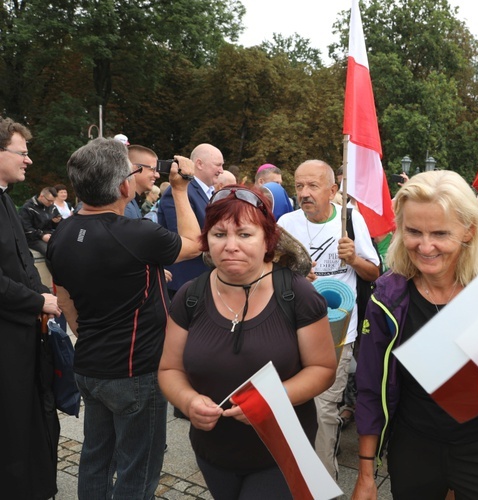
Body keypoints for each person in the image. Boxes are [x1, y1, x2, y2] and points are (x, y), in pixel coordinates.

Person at [353, 170, 478, 500]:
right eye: (413, 231)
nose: (425, 246)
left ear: (469, 231)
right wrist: (365, 475)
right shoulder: (387, 299)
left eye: (440, 233)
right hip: (414, 448)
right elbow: (370, 388)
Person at [47, 138, 202, 499]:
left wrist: (91, 338)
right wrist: (180, 189)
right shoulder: (137, 233)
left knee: (96, 457)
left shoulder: (62, 234)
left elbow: (66, 301)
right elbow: (195, 242)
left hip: (89, 365)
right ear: (122, 186)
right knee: (138, 466)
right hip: (137, 370)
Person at [158, 185, 337, 499]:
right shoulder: (190, 296)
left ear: (267, 239)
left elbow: (323, 368)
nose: (230, 246)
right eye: (218, 234)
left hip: (280, 452)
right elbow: (169, 370)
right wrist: (187, 401)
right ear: (205, 240)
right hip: (213, 453)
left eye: (244, 234)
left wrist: (273, 399)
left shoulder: (297, 294)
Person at [278, 159, 380, 478]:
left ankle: (323, 484)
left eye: (313, 186)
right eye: (299, 186)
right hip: (292, 331)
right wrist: (292, 274)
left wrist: (354, 259)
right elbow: (270, 273)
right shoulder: (286, 223)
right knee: (291, 408)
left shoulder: (351, 221)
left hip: (337, 334)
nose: (305, 193)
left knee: (323, 412)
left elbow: (375, 271)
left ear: (333, 190)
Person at [0, 117, 61, 499]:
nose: (29, 160)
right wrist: (38, 300)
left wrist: (40, 294)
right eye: (22, 152)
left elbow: (19, 261)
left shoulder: (5, 196)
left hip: (21, 334)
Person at [158, 143, 224, 295]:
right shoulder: (178, 192)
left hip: (202, 279)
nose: (221, 170)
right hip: (184, 282)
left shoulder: (209, 193)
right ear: (199, 164)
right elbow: (181, 238)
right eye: (218, 165)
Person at [20, 186, 61, 254]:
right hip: (33, 238)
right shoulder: (27, 208)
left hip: (50, 234)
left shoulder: (52, 207)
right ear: (42, 196)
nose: (51, 203)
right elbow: (26, 228)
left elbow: (57, 225)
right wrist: (42, 235)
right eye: (49, 201)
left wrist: (55, 222)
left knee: (66, 246)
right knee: (50, 251)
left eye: (53, 201)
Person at [124, 145, 160, 219]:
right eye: (153, 169)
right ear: (135, 169)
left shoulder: (131, 203)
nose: (157, 175)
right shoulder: (126, 207)